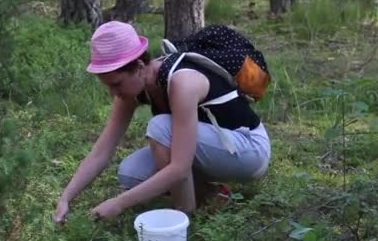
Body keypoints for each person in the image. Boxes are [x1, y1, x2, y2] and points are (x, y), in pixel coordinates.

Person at [53, 21, 271, 223]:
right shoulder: (132, 90)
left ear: (139, 66)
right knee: (131, 173)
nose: (113, 93)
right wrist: (66, 198)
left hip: (249, 150)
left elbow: (179, 167)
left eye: (116, 84)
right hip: (214, 149)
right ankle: (212, 194)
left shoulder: (181, 82)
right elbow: (102, 151)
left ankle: (184, 218)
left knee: (161, 128)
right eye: (108, 86)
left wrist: (119, 204)